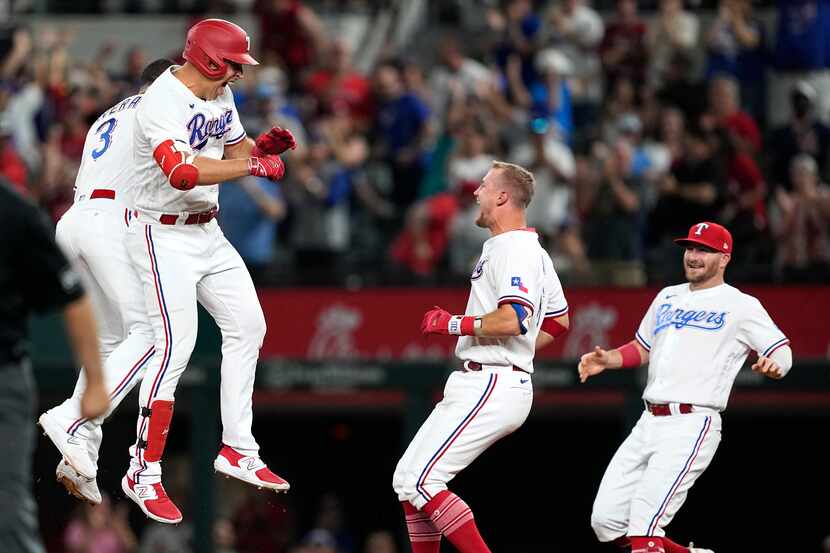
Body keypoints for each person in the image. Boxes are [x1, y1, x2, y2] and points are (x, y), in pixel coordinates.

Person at [120, 19, 296, 524]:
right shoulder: (162, 99)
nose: (241, 74)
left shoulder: (219, 95)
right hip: (161, 230)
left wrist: (262, 152)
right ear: (211, 60)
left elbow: (238, 153)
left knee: (249, 326)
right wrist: (250, 167)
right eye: (236, 64)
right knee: (174, 346)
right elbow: (183, 171)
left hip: (205, 230)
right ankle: (143, 471)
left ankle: (238, 447)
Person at [579, 221, 793, 553]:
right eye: (690, 248)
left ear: (724, 259)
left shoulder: (740, 304)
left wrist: (774, 365)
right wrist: (609, 359)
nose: (693, 256)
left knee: (645, 524)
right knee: (606, 522)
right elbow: (642, 347)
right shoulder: (668, 295)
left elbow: (782, 351)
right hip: (647, 421)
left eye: (704, 250)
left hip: (692, 422)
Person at [393, 161, 570, 553]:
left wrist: (454, 324)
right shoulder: (526, 249)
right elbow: (558, 321)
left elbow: (514, 319)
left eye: (485, 186)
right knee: (407, 480)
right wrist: (520, 354)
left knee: (422, 481)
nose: (475, 192)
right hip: (489, 376)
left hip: (493, 379)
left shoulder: (515, 249)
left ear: (503, 196)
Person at [37, 59, 174, 507]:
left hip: (75, 219)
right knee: (154, 335)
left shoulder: (111, 112)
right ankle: (73, 417)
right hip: (111, 223)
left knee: (112, 340)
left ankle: (81, 453)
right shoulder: (159, 107)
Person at [0, 180, 109, 553]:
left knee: (7, 516)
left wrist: (95, 380)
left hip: (3, 378)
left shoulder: (14, 213)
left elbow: (73, 296)